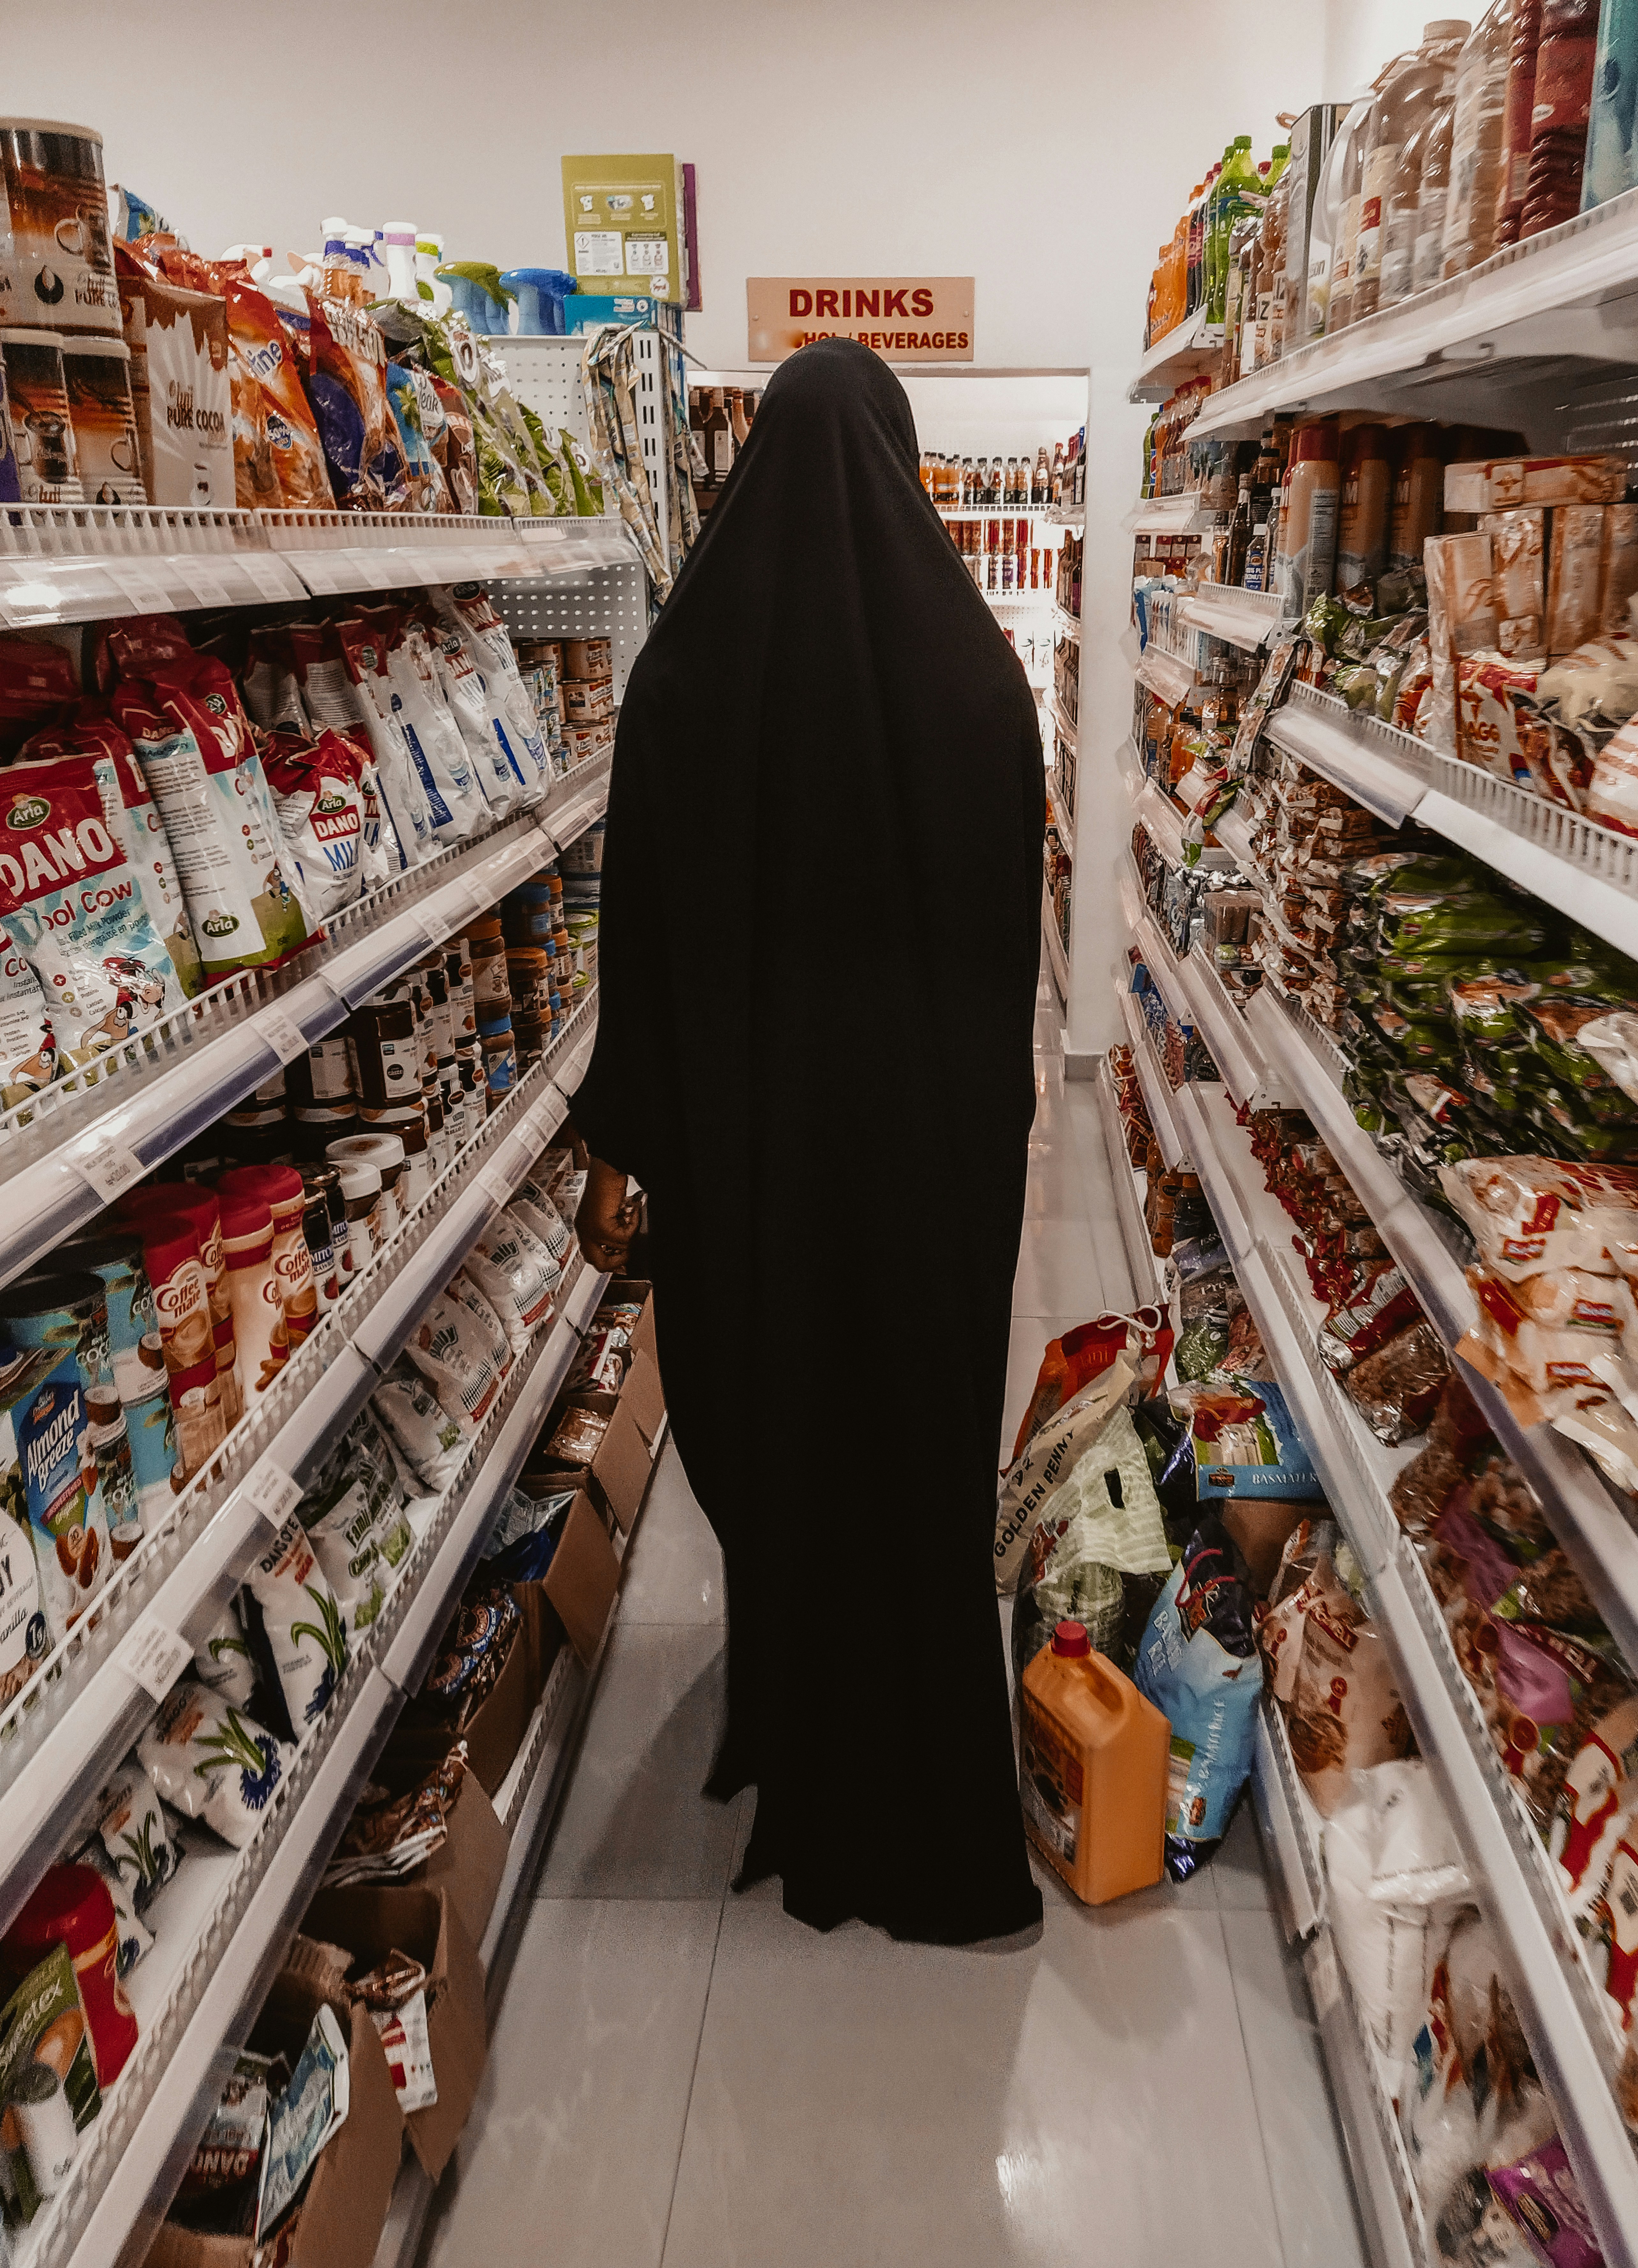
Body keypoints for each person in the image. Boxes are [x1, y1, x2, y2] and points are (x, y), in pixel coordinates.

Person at [571, 337, 1045, 1945]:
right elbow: (1004, 965)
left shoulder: (685, 681)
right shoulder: (981, 686)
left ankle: (793, 1713)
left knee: (778, 1439)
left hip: (757, 1181)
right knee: (909, 1460)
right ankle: (917, 1773)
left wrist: (628, 1133)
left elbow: (640, 940)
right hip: (923, 1182)